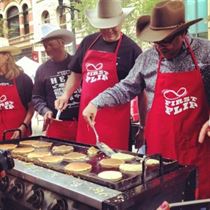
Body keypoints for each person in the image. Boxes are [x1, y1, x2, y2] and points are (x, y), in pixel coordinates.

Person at [82, 0, 210, 199]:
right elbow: (125, 88)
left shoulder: (206, 53)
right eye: (155, 41)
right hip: (160, 153)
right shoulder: (147, 59)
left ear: (182, 33)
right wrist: (96, 102)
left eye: (165, 41)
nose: (160, 47)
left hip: (199, 148)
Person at [55, 0, 142, 150]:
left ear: (121, 21)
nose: (108, 30)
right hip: (86, 117)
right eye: (103, 27)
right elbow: (76, 73)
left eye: (112, 25)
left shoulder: (132, 49)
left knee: (114, 165)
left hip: (115, 122)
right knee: (84, 161)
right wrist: (65, 95)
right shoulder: (88, 42)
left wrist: (143, 125)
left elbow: (141, 90)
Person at [32, 24, 81, 140]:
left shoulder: (77, 63)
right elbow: (36, 97)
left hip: (81, 121)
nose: (47, 49)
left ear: (61, 43)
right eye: (45, 46)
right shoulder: (42, 70)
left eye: (50, 44)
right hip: (57, 123)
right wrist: (45, 110)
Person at [0, 37, 34, 140]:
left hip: (19, 135)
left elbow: (32, 106)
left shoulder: (23, 79)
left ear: (7, 56)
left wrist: (23, 126)